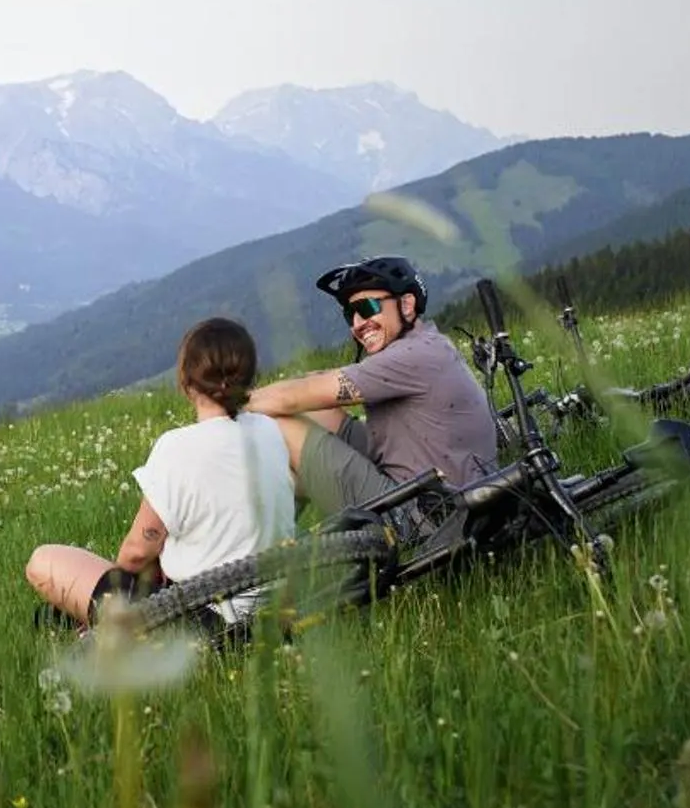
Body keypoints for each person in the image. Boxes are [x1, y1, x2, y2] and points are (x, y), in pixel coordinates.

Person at [25, 317, 295, 626]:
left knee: (43, 561)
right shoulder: (268, 430)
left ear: (185, 380)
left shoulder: (177, 446)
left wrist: (114, 596)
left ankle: (98, 626)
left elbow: (137, 552)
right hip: (274, 610)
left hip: (207, 620)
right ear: (249, 378)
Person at [242, 255, 497, 514]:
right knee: (316, 413)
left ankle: (257, 537)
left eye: (366, 308)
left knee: (281, 424)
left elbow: (290, 399)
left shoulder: (411, 356)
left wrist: (226, 403)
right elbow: (315, 386)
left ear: (406, 305)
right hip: (434, 489)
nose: (357, 324)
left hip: (425, 515)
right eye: (349, 314)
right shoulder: (428, 345)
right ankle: (269, 535)